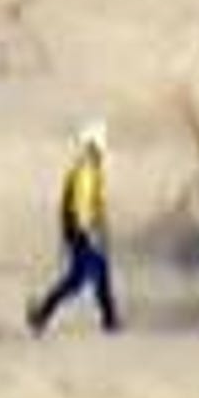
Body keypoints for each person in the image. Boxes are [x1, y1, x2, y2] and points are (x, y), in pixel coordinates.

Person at [26, 122, 119, 336]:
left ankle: (110, 320)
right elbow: (81, 201)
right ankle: (42, 313)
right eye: (99, 147)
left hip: (80, 230)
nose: (102, 152)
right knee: (78, 279)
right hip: (81, 231)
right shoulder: (86, 170)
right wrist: (85, 228)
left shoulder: (89, 169)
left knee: (100, 271)